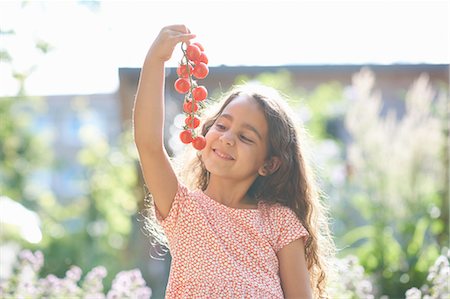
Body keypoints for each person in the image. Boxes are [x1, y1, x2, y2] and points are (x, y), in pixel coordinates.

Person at [134, 24, 335, 299]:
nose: (228, 139)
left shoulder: (279, 222)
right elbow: (148, 145)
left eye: (246, 137)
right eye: (222, 126)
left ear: (269, 164)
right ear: (205, 133)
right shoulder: (184, 209)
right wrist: (155, 60)